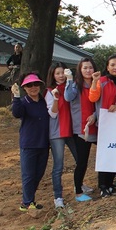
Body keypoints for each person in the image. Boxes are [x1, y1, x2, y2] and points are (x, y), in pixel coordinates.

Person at [89, 55, 116, 197]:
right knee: (105, 154)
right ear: (107, 67)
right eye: (112, 65)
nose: (115, 67)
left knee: (114, 153)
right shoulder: (101, 81)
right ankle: (103, 186)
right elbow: (93, 98)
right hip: (104, 123)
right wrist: (94, 82)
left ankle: (110, 184)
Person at [12, 72, 49, 211]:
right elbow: (16, 113)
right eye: (29, 85)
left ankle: (28, 200)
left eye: (36, 84)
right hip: (29, 144)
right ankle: (27, 203)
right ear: (24, 88)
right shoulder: (23, 102)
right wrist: (16, 97)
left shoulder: (44, 101)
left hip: (43, 143)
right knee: (28, 175)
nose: (33, 87)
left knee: (38, 174)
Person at [64, 58, 98, 202]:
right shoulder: (76, 85)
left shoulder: (98, 83)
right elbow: (68, 97)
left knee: (107, 152)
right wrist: (69, 79)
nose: (88, 70)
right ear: (80, 69)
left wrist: (95, 115)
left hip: (98, 126)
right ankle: (78, 192)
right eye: (85, 68)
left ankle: (110, 182)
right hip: (81, 129)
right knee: (82, 161)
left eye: (90, 67)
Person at [45, 62, 78, 208]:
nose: (61, 76)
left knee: (80, 160)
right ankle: (58, 196)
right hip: (57, 132)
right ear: (52, 75)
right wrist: (56, 99)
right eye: (57, 73)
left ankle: (79, 185)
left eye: (62, 73)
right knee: (58, 166)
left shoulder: (71, 86)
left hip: (71, 130)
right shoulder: (49, 91)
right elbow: (52, 114)